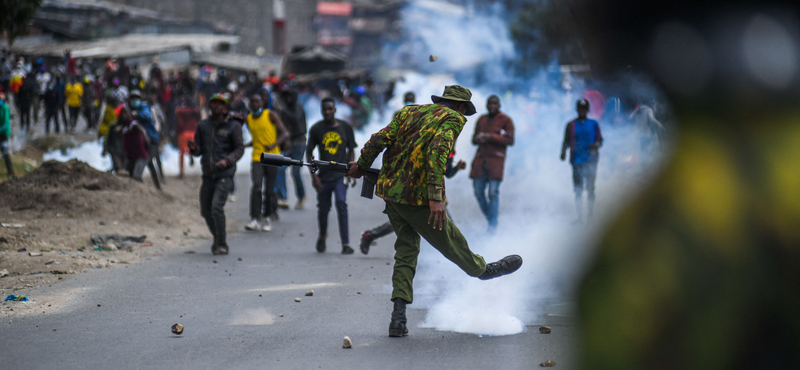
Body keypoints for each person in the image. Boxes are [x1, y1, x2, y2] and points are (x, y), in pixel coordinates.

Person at [346, 85, 523, 337]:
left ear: (442, 100)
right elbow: (437, 152)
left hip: (392, 195)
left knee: (406, 250)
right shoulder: (453, 118)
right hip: (418, 198)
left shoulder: (409, 112)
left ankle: (398, 319)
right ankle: (483, 271)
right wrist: (435, 197)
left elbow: (378, 139)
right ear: (461, 107)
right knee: (453, 243)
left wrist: (361, 165)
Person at [188, 93, 244, 255]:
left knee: (216, 207)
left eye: (220, 103)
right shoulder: (203, 125)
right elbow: (199, 150)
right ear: (210, 106)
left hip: (224, 174)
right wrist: (193, 149)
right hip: (208, 174)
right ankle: (217, 237)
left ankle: (222, 243)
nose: (217, 106)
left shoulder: (233, 126)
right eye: (214, 103)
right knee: (205, 211)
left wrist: (227, 161)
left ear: (224, 106)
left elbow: (239, 149)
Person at [307, 98, 357, 254]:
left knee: (341, 204)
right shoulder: (316, 129)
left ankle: (345, 244)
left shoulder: (345, 127)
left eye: (330, 109)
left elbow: (351, 149)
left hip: (340, 176)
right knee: (323, 209)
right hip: (323, 176)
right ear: (322, 111)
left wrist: (351, 169)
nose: (327, 112)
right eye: (325, 109)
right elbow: (309, 152)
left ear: (334, 110)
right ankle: (322, 236)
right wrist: (313, 175)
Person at [243, 93, 289, 232]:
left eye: (258, 102)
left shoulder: (270, 115)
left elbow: (285, 133)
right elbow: (257, 138)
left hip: (273, 156)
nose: (255, 105)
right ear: (249, 104)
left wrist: (273, 144)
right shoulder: (249, 119)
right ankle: (254, 218)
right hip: (257, 157)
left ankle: (267, 217)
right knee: (256, 186)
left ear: (262, 103)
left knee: (269, 190)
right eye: (253, 102)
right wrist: (246, 144)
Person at [469, 95, 515, 232]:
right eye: (490, 103)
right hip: (480, 160)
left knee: (493, 193)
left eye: (495, 103)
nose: (492, 106)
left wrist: (490, 136)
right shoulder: (481, 119)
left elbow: (510, 140)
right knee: (478, 191)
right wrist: (479, 138)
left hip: (495, 161)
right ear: (487, 105)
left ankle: (492, 224)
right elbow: (473, 139)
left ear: (499, 105)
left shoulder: (506, 120)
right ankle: (491, 219)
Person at [560, 98, 603, 222]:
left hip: (591, 160)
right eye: (580, 108)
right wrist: (563, 152)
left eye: (584, 109)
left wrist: (596, 145)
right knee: (578, 190)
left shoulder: (594, 124)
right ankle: (579, 216)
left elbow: (600, 140)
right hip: (577, 160)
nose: (582, 111)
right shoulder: (571, 125)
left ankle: (590, 215)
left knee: (590, 188)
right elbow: (566, 141)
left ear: (588, 110)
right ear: (577, 109)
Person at [276, 88, 308, 210]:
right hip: (288, 144)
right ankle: (282, 197)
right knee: (281, 168)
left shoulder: (297, 107)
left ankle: (301, 195)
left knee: (295, 172)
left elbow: (295, 120)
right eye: (286, 97)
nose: (287, 99)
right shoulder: (285, 108)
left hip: (299, 143)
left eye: (289, 96)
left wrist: (283, 111)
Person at [128, 90, 163, 190]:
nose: (135, 100)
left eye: (137, 98)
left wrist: (136, 115)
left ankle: (138, 179)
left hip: (152, 139)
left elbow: (146, 116)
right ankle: (157, 186)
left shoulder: (144, 108)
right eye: (133, 98)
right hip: (140, 140)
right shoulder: (129, 110)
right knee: (149, 163)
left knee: (147, 159)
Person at [118, 107, 150, 182]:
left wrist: (145, 137)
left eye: (126, 113)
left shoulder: (132, 123)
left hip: (140, 156)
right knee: (126, 175)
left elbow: (140, 128)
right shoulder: (124, 125)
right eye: (122, 113)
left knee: (136, 176)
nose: (124, 115)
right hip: (131, 158)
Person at [175, 96, 201, 178]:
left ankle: (182, 171)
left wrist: (177, 131)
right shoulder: (196, 111)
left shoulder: (181, 111)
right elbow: (200, 122)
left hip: (184, 133)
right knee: (192, 147)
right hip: (194, 132)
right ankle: (191, 155)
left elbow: (179, 122)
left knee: (182, 152)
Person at [0, 91, 14, 179]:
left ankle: (10, 170)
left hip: (4, 133)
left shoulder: (5, 108)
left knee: (4, 151)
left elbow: (6, 123)